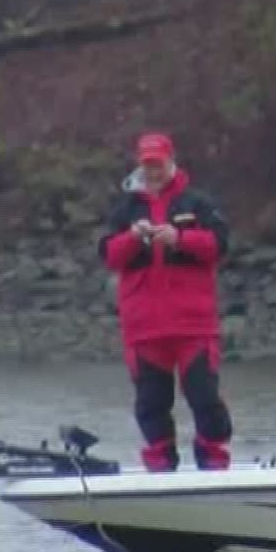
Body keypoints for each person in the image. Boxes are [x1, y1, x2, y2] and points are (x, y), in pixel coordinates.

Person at [98, 132, 235, 472]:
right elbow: (108, 254)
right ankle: (160, 469)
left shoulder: (197, 203)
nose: (153, 171)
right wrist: (133, 237)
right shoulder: (125, 210)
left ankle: (214, 463)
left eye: (158, 164)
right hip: (144, 329)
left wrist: (180, 238)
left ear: (171, 161)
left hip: (194, 326)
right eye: (147, 165)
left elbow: (219, 245)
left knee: (205, 399)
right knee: (151, 405)